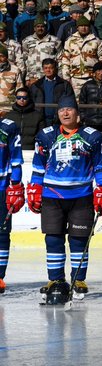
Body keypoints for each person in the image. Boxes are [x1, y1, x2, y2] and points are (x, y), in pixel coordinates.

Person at [28, 97, 102, 302]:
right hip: (52, 196)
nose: (65, 113)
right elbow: (38, 165)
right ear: (57, 114)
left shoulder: (92, 137)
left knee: (79, 240)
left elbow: (100, 165)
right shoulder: (46, 136)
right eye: (62, 110)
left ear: (77, 114)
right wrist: (35, 188)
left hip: (81, 197)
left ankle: (78, 280)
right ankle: (55, 280)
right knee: (53, 239)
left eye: (69, 110)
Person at [0, 109, 22, 293]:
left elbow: (16, 160)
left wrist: (15, 186)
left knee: (1, 234)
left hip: (2, 188)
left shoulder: (9, 128)